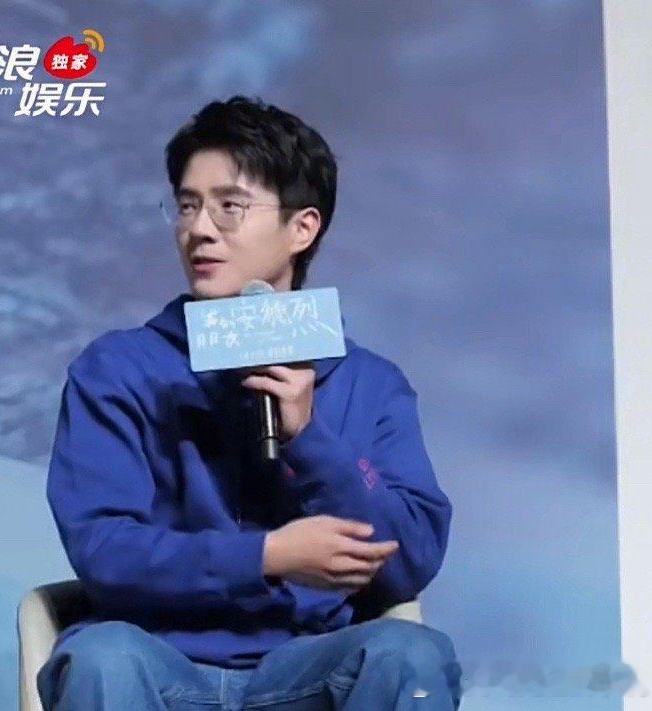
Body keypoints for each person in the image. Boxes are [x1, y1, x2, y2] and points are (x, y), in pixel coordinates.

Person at [38, 96, 461, 710]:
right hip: (155, 659)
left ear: (302, 228)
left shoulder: (371, 383)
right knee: (102, 657)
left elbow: (409, 560)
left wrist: (311, 440)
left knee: (409, 654)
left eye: (229, 207)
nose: (200, 229)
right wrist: (267, 557)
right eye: (188, 205)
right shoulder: (118, 369)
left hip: (306, 666)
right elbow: (102, 549)